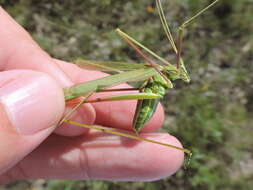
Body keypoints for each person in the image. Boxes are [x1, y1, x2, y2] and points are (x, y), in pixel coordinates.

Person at [0, 6, 184, 184]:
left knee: (97, 97)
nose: (180, 69)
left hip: (149, 90)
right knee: (96, 95)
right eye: (178, 68)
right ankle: (66, 110)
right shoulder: (159, 71)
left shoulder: (162, 72)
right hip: (142, 95)